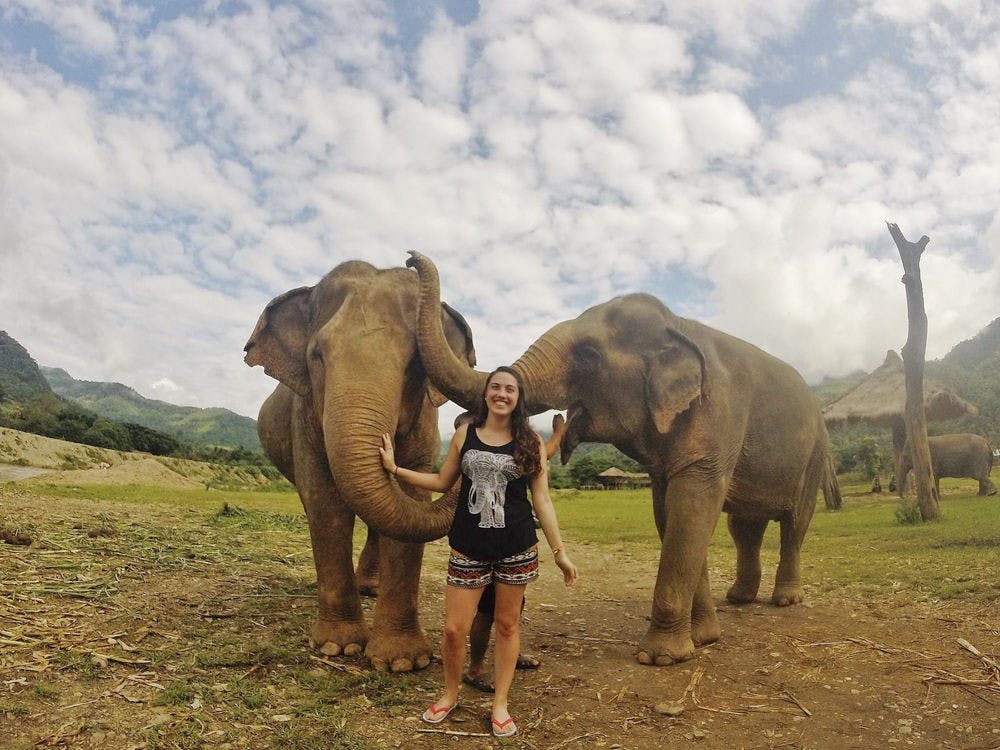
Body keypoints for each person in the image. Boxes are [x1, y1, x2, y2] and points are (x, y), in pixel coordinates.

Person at [379, 366, 577, 737]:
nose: (502, 394)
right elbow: (441, 481)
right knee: (454, 630)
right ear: (486, 394)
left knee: (507, 624)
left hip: (516, 548)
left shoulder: (531, 442)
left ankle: (500, 703)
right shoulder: (464, 434)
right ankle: (450, 694)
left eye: (510, 390)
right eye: (496, 387)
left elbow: (543, 500)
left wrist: (559, 551)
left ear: (518, 400)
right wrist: (396, 470)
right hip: (468, 547)